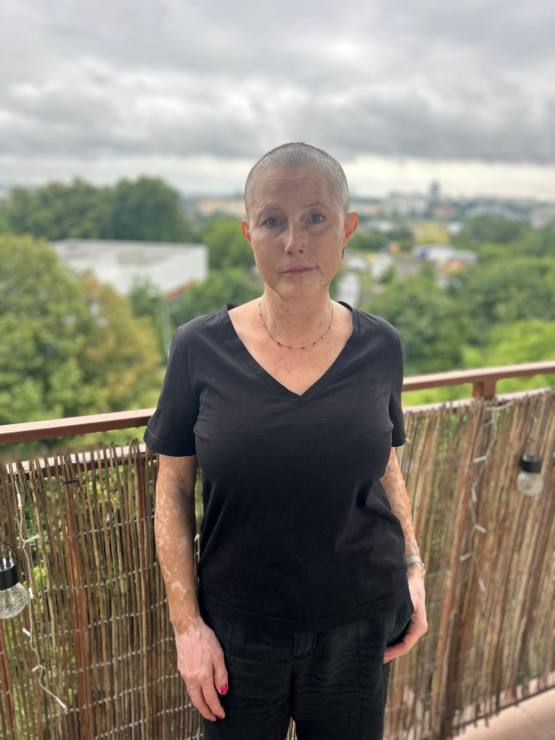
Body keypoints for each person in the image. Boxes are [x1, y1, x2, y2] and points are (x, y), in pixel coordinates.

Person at [144, 142, 427, 740]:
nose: (294, 241)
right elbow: (172, 490)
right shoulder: (198, 348)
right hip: (238, 633)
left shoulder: (381, 346)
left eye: (315, 218)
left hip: (361, 623)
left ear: (346, 229)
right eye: (273, 221)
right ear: (249, 235)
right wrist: (187, 626)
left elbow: (386, 464)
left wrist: (412, 565)